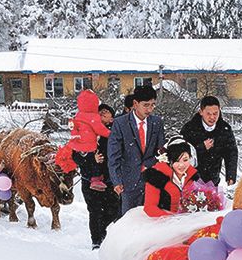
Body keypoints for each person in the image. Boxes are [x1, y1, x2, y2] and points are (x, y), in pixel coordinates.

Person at [107, 83, 165, 215]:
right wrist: (116, 181)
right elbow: (113, 155)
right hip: (128, 181)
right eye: (146, 105)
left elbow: (161, 152)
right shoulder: (120, 123)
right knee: (130, 220)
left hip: (152, 180)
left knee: (151, 220)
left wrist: (149, 164)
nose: (150, 109)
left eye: (153, 105)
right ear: (135, 103)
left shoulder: (157, 122)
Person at [74, 103, 120, 248]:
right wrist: (90, 159)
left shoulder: (115, 134)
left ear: (111, 118)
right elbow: (75, 156)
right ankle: (96, 241)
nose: (101, 115)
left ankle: (104, 235)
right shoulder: (85, 132)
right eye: (99, 112)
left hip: (110, 181)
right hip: (89, 180)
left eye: (106, 112)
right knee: (95, 211)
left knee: (112, 210)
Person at [179, 95, 238, 187]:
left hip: (213, 180)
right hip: (191, 180)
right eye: (208, 114)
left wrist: (230, 176)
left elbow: (231, 153)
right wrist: (201, 147)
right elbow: (180, 153)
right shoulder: (189, 128)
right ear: (201, 112)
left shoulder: (224, 129)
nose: (212, 117)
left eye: (215, 113)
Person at [143, 136, 199, 218]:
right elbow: (150, 207)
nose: (181, 165)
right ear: (170, 161)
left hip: (188, 220)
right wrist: (172, 219)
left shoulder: (193, 176)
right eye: (176, 161)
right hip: (163, 221)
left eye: (185, 160)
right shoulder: (156, 177)